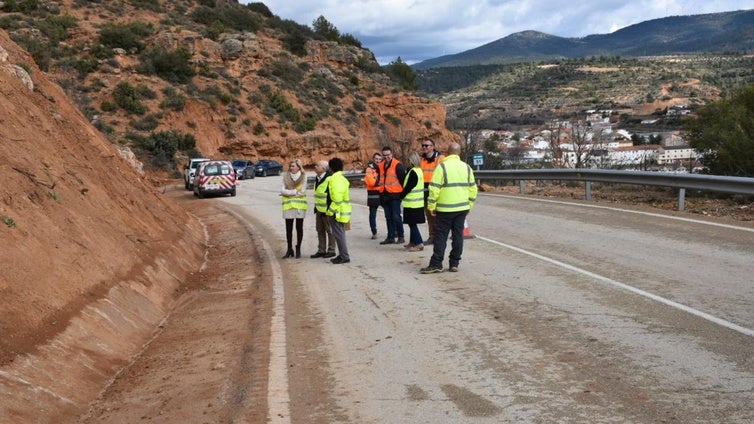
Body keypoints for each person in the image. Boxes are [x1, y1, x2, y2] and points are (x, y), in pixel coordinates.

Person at [420, 142, 477, 274]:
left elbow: (434, 188)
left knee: (441, 237)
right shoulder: (467, 167)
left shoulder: (442, 167)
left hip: (444, 209)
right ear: (459, 153)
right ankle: (454, 263)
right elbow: (473, 189)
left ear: (447, 152)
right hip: (461, 209)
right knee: (458, 236)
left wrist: (431, 206)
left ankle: (436, 263)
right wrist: (469, 204)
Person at [378, 145, 406, 245]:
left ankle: (401, 236)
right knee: (388, 217)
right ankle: (390, 237)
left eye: (388, 155)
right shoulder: (381, 166)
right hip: (385, 195)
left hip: (395, 195)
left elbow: (403, 181)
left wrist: (401, 196)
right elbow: (380, 180)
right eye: (384, 155)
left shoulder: (398, 165)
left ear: (392, 154)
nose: (386, 157)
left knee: (396, 216)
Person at [326, 157, 351, 264]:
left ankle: (344, 256)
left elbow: (337, 199)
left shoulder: (335, 180)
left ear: (331, 168)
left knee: (339, 235)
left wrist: (330, 211)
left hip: (337, 212)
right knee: (340, 234)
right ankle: (343, 255)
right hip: (341, 211)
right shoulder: (342, 179)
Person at [419, 138, 444, 245]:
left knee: (440, 215)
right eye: (423, 145)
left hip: (438, 191)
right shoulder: (422, 160)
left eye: (427, 145)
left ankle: (440, 236)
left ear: (433, 147)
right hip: (425, 192)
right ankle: (432, 236)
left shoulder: (440, 159)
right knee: (429, 216)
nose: (424, 147)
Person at [281, 159, 307, 258]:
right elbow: (282, 190)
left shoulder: (303, 176)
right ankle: (289, 249)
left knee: (299, 228)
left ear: (299, 167)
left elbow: (303, 191)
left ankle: (298, 247)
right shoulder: (285, 176)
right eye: (290, 166)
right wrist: (295, 192)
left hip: (300, 207)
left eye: (293, 166)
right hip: (288, 206)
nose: (291, 168)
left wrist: (289, 192)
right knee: (289, 229)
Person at [310, 160, 336, 259]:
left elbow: (331, 196)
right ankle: (321, 250)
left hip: (327, 211)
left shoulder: (329, 179)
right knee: (320, 230)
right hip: (319, 210)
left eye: (317, 165)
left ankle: (331, 250)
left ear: (324, 168)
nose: (315, 166)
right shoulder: (317, 178)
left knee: (330, 231)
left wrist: (330, 210)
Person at [400, 151, 426, 251]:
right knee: (412, 223)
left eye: (408, 160)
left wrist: (400, 196)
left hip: (412, 203)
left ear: (411, 161)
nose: (407, 162)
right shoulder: (418, 170)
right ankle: (412, 242)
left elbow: (408, 187)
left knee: (412, 224)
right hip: (417, 202)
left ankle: (419, 243)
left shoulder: (413, 172)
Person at [364, 152, 383, 240]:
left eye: (379, 159)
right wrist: (380, 183)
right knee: (372, 215)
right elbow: (371, 182)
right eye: (376, 159)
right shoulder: (369, 169)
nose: (378, 161)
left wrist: (378, 182)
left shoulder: (383, 167)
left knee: (389, 214)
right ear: (373, 159)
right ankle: (374, 232)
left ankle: (394, 232)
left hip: (382, 193)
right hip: (373, 194)